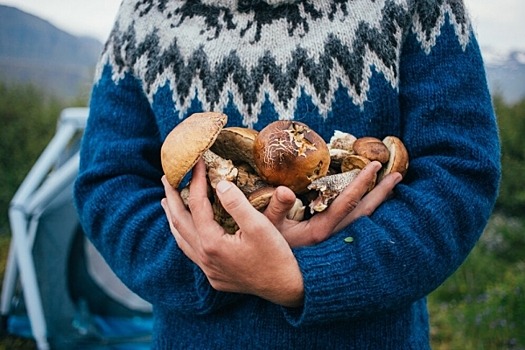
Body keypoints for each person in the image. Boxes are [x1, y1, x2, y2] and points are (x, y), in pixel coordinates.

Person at [74, 0, 501, 348]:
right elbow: (110, 184)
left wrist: (306, 275)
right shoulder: (145, 15)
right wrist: (215, 261)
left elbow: (458, 173)